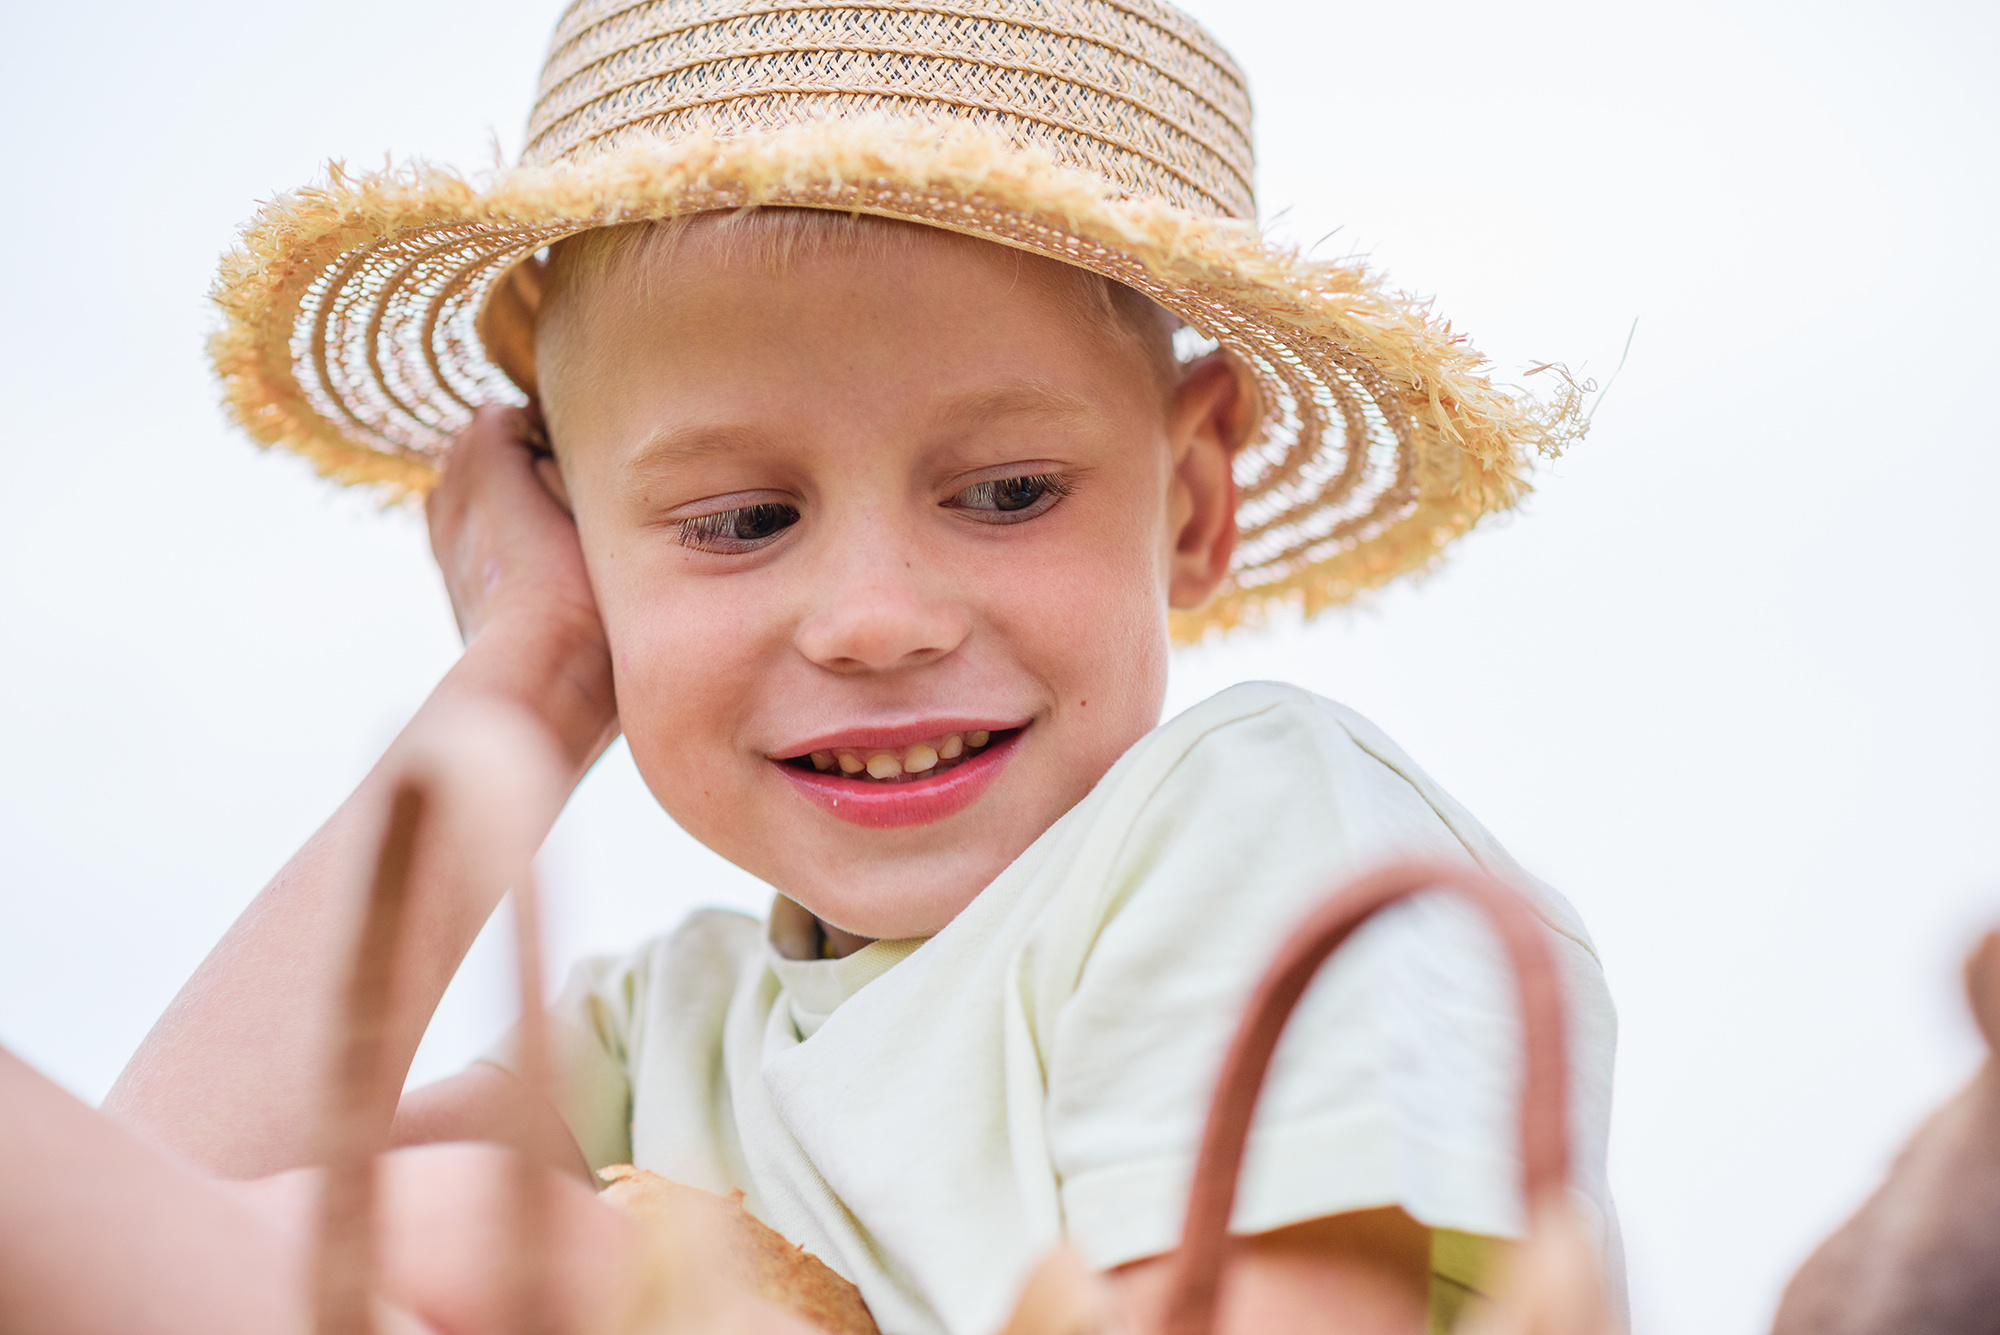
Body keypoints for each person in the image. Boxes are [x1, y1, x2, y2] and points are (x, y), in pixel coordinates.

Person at [108, 3, 1621, 1333]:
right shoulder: (659, 1040)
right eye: (739, 521)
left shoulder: (1254, 825)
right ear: (581, 539)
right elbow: (151, 1241)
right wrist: (532, 673)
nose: (877, 619)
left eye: (1009, 493)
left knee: (462, 1231)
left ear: (1192, 498)